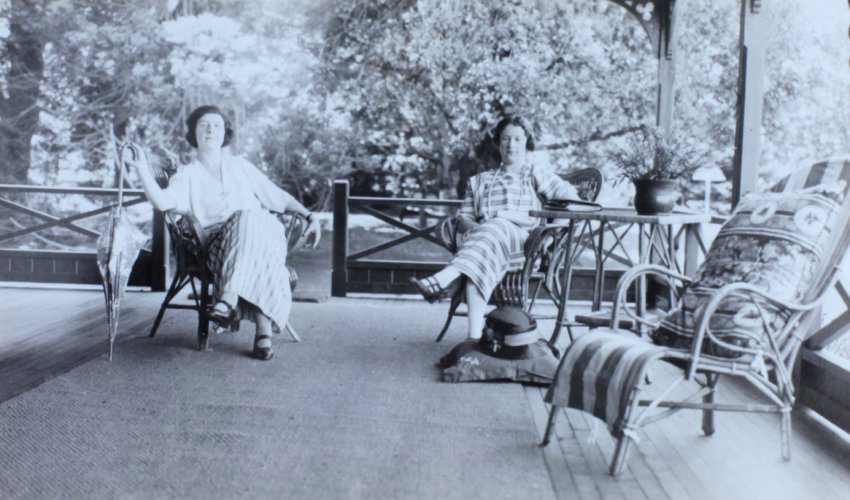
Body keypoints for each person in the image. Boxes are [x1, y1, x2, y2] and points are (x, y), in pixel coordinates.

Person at [128, 105, 321, 361]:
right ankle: (263, 330)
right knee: (251, 228)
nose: (210, 130)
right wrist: (140, 167)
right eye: (203, 125)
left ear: (225, 134)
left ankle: (229, 296)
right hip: (217, 245)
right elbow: (163, 203)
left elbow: (279, 198)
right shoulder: (186, 175)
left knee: (250, 218)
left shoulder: (240, 165)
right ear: (193, 134)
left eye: (217, 125)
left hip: (264, 232)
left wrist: (310, 215)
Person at [410, 116, 579, 339]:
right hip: (486, 247)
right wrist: (483, 231)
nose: (512, 144)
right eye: (506, 139)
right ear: (499, 143)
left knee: (497, 224)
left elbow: (572, 199)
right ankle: (473, 338)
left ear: (526, 142)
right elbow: (464, 219)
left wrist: (552, 234)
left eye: (517, 139)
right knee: (488, 241)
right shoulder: (479, 181)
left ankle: (445, 278)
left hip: (524, 249)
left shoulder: (535, 174)